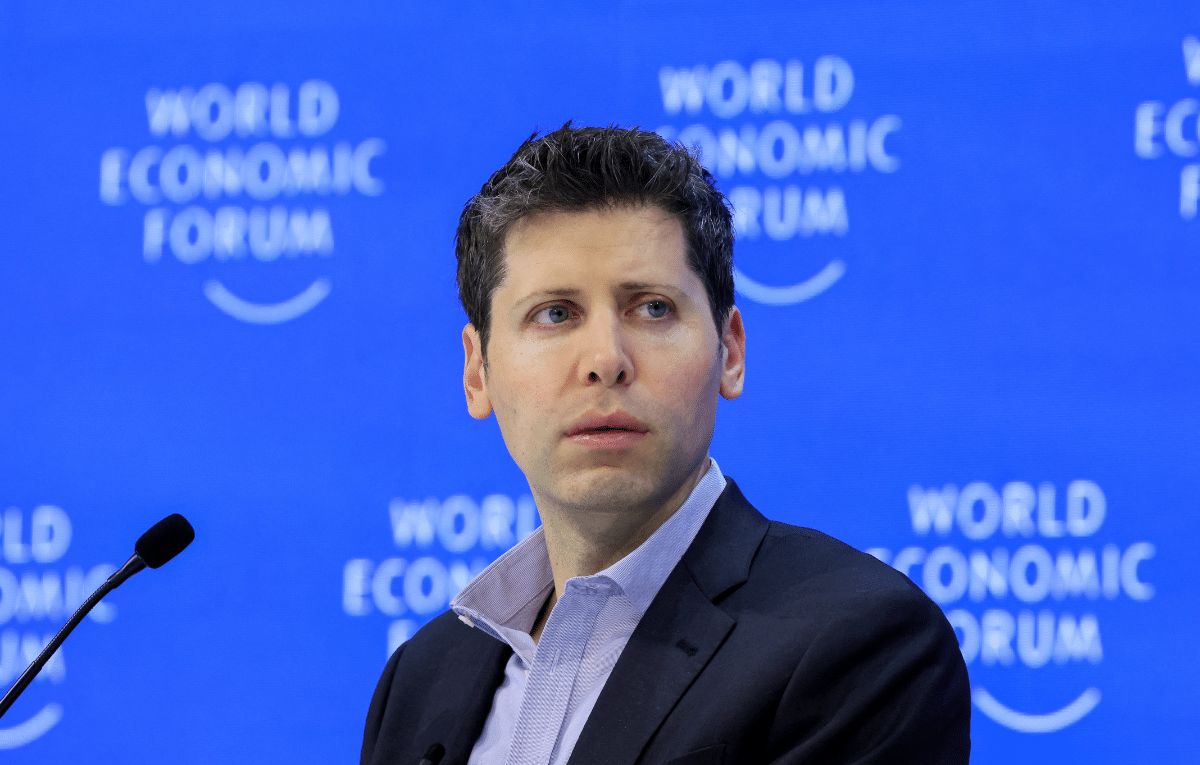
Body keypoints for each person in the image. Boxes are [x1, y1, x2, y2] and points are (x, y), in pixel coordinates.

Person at [360, 124, 970, 765]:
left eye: (652, 308)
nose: (605, 360)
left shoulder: (861, 644)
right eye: (555, 313)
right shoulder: (418, 682)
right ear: (477, 371)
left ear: (730, 351)